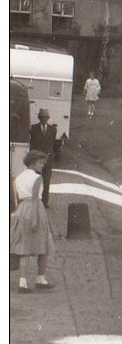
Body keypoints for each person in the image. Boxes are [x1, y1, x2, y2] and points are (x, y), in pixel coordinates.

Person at [11, 151, 55, 292]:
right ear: (33, 162)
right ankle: (40, 278)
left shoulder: (18, 177)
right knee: (44, 244)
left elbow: (16, 198)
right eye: (41, 163)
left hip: (22, 209)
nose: (42, 166)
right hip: (36, 209)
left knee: (24, 247)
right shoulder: (37, 178)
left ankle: (22, 282)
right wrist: (35, 219)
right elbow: (36, 198)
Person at [27, 110, 60, 208]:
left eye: (46, 117)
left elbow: (52, 143)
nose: (45, 119)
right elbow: (32, 143)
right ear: (39, 118)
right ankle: (34, 201)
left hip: (47, 159)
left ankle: (44, 202)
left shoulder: (53, 130)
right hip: (36, 160)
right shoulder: (33, 128)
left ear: (48, 118)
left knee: (46, 180)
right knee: (35, 180)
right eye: (43, 117)